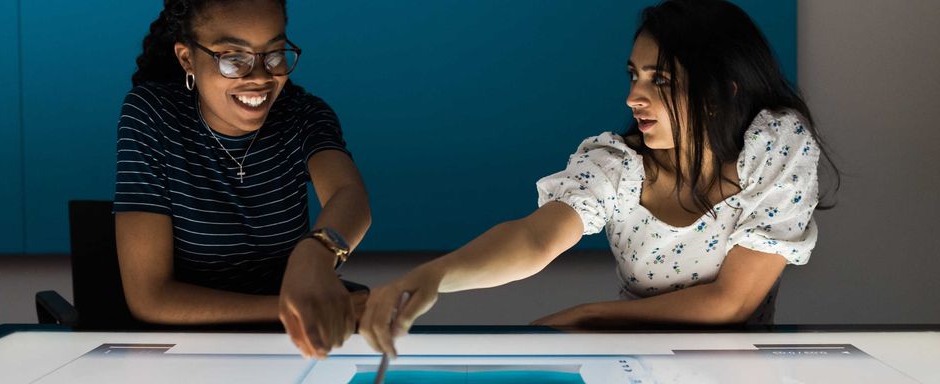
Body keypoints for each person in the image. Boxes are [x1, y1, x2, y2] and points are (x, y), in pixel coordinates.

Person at [359, 0, 840, 356]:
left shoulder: (777, 146)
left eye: (661, 81)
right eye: (634, 76)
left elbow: (731, 303)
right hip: (632, 361)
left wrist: (589, 315)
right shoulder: (617, 164)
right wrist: (432, 277)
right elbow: (533, 238)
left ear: (719, 93)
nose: (635, 96)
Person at [113, 0, 370, 359]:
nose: (261, 76)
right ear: (187, 59)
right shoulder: (152, 114)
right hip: (185, 352)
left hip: (289, 347)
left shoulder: (302, 115)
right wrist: (285, 307)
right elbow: (151, 298)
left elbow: (349, 194)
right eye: (234, 58)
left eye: (275, 54)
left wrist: (316, 252)